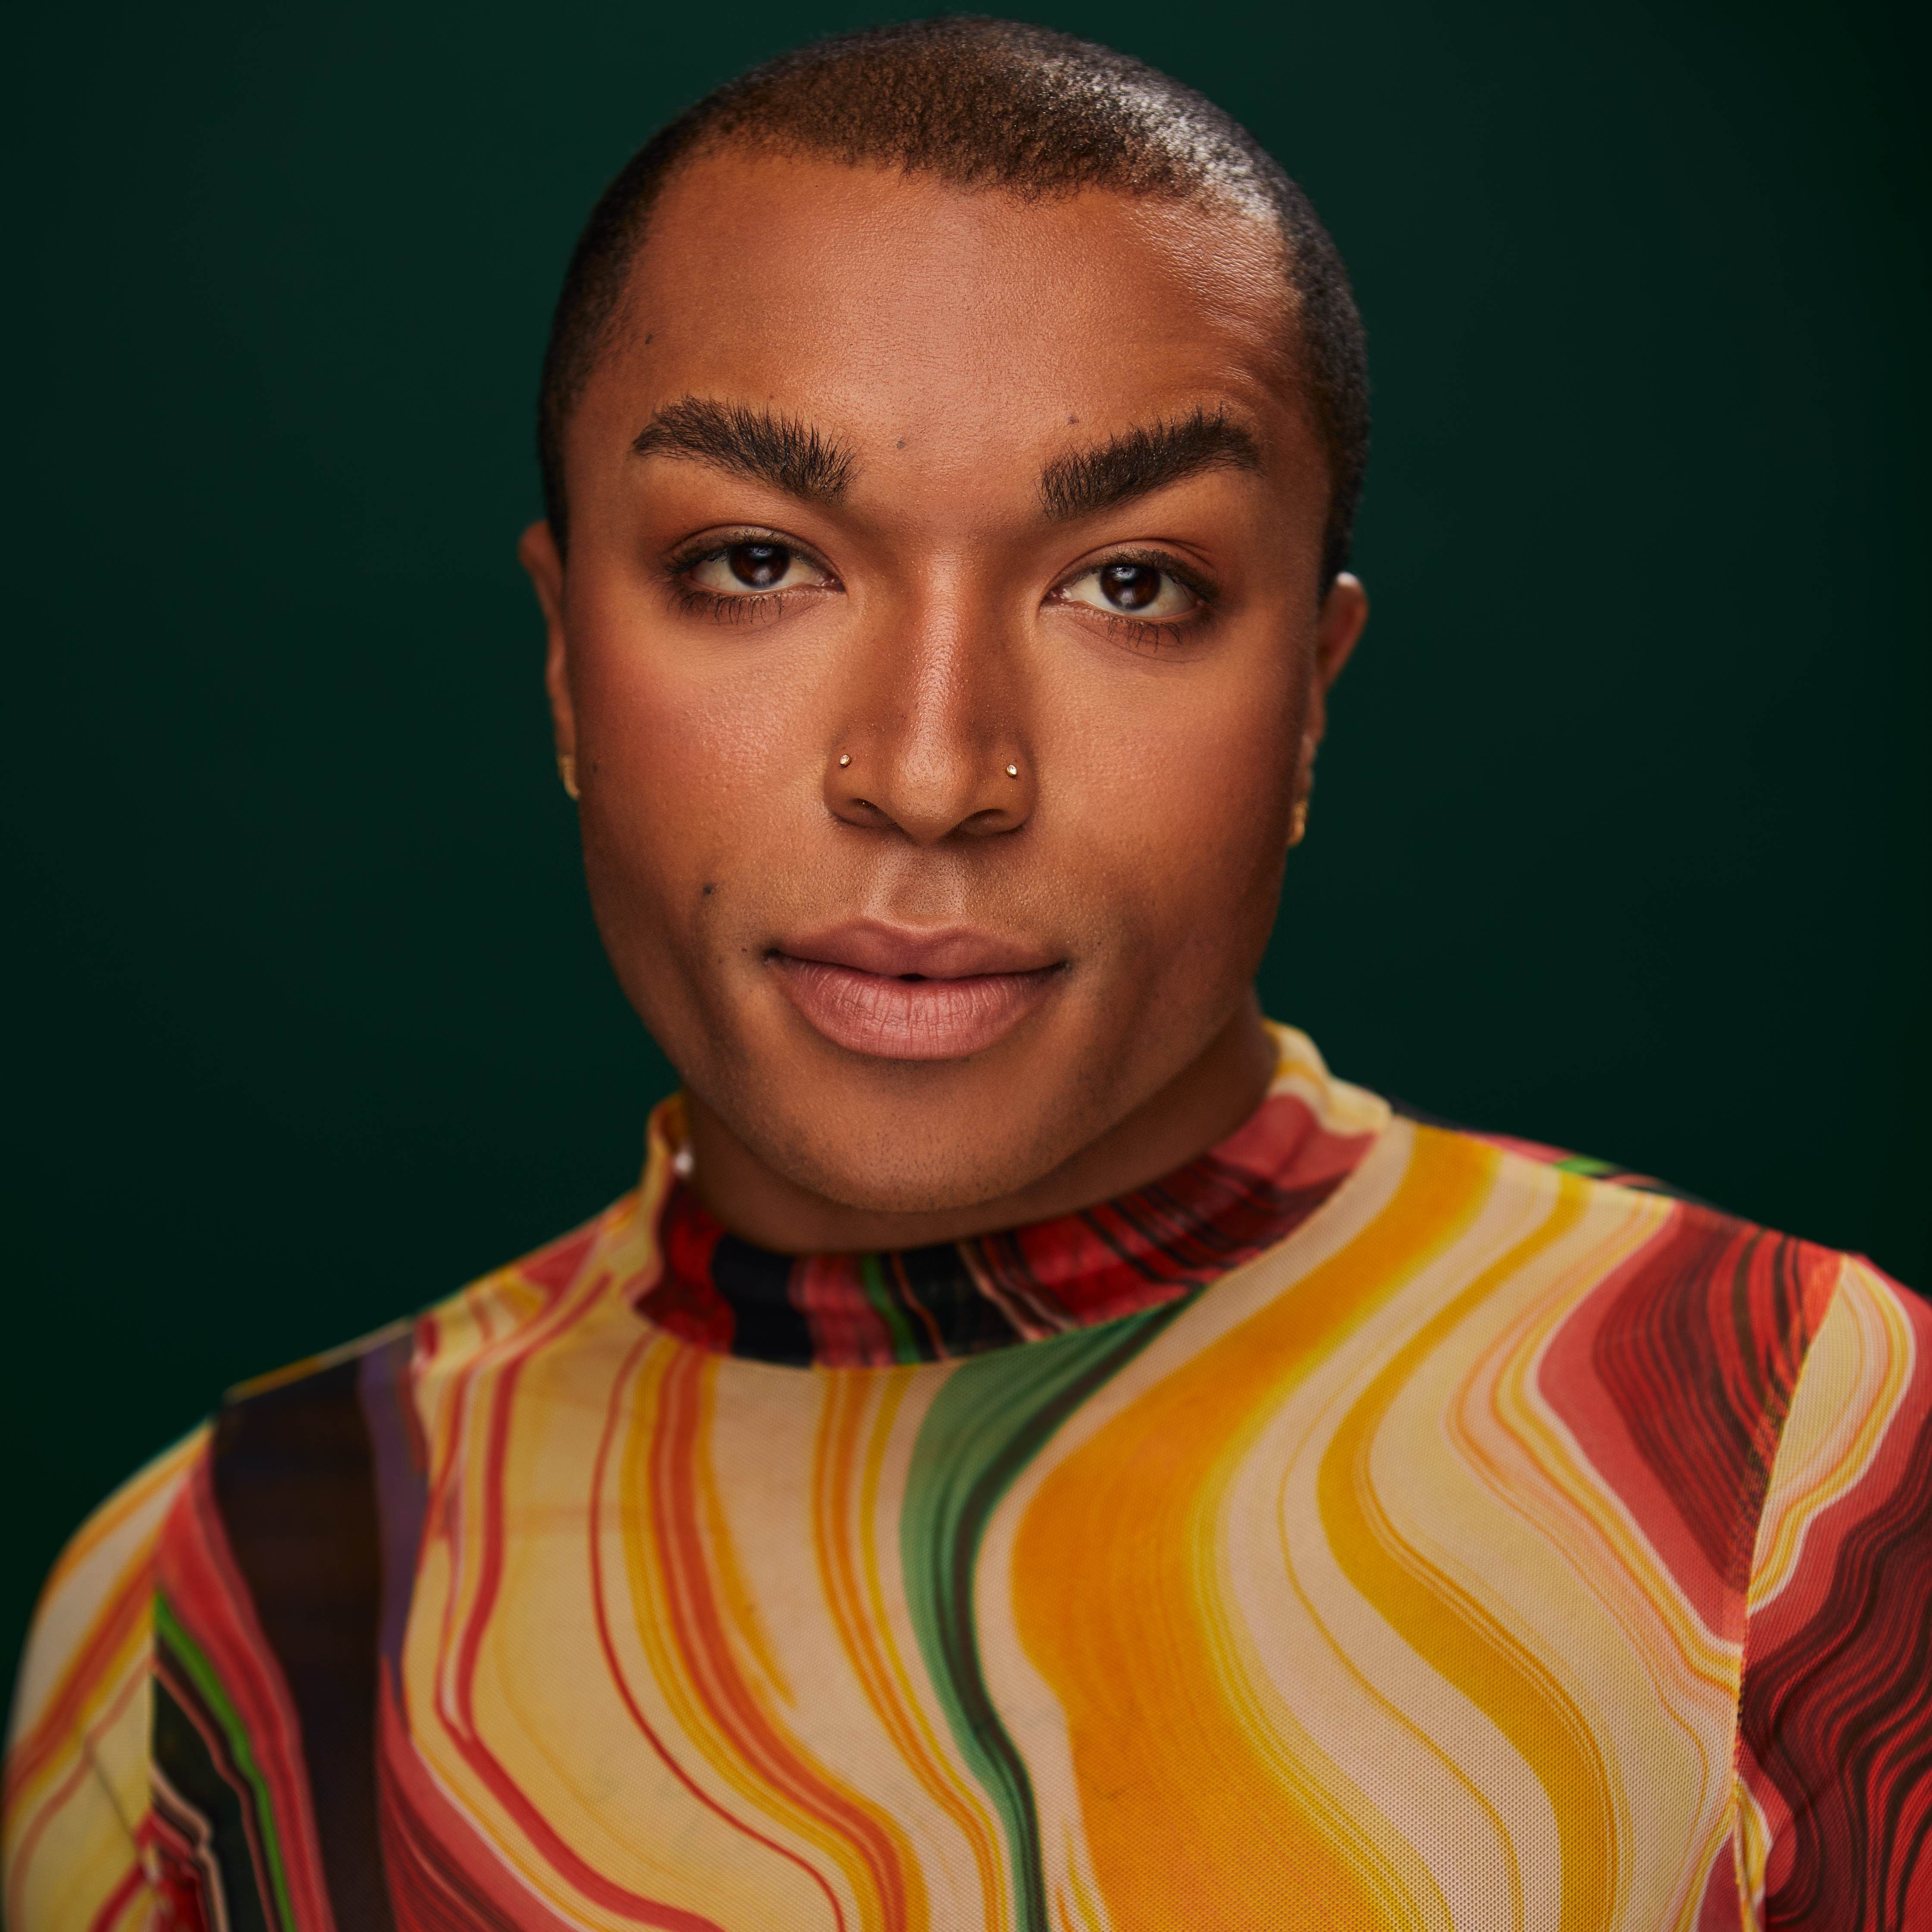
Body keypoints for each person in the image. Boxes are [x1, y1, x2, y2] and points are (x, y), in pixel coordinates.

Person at [4, 18, 1925, 1929]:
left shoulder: (1790, 1455)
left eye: (1132, 584)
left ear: (1309, 697)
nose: (931, 773)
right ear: (567, 655)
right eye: (756, 562)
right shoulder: (224, 1612)